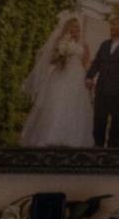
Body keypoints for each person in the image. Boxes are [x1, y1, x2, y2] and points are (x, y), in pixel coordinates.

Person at [20, 16, 93, 147]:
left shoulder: (84, 44)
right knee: (56, 104)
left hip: (77, 77)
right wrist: (61, 56)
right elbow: (51, 60)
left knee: (74, 106)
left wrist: (89, 77)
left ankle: (72, 139)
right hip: (61, 74)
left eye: (78, 27)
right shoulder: (60, 41)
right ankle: (50, 137)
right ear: (68, 28)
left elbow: (86, 63)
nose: (76, 29)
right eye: (74, 27)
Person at [86, 9, 119, 147]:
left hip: (117, 92)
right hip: (102, 90)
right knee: (99, 121)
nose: (112, 27)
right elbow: (97, 63)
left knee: (117, 124)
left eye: (116, 25)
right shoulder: (104, 44)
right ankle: (97, 150)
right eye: (111, 25)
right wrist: (89, 76)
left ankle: (111, 153)